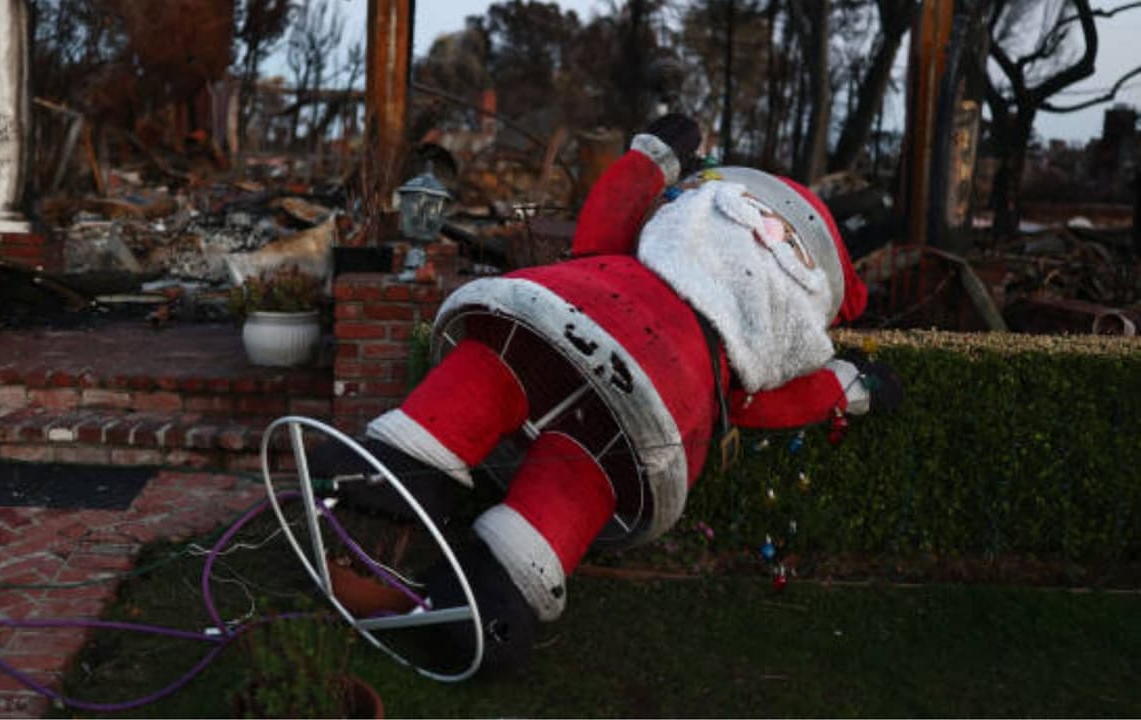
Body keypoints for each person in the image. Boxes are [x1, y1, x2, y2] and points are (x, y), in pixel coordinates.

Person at [310, 114, 902, 671]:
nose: (764, 233)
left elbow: (769, 396)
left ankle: (498, 585)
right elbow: (763, 399)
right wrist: (654, 158)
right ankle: (411, 469)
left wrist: (844, 387)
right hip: (598, 335)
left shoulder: (740, 347)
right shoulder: (685, 285)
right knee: (507, 380)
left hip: (616, 356)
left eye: (783, 238)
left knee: (563, 449)